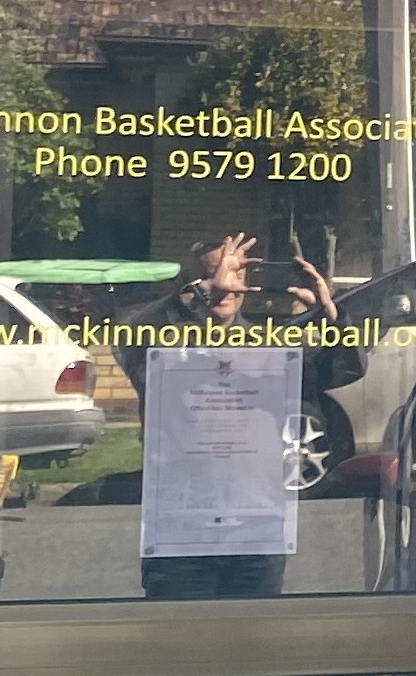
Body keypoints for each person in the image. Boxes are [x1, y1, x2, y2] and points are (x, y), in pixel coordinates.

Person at [126, 230, 342, 602]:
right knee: (179, 633)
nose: (225, 285)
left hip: (257, 526)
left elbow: (340, 372)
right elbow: (132, 339)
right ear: (189, 284)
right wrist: (200, 297)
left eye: (233, 274)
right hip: (181, 528)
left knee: (252, 635)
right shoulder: (164, 343)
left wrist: (331, 318)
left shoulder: (271, 347)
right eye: (210, 275)